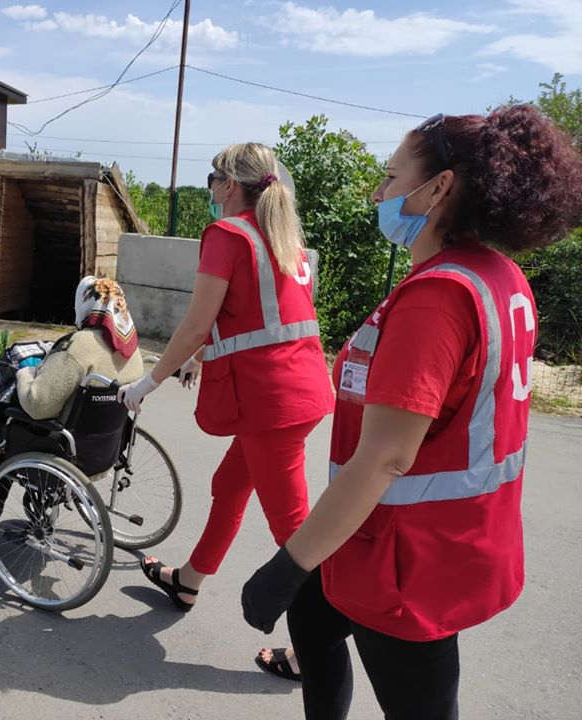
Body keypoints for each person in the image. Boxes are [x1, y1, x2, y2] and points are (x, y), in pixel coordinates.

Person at [240, 104, 582, 719]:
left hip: (405, 564)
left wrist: (286, 562)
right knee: (313, 619)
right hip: (428, 539)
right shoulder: (499, 276)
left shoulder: (437, 298)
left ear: (438, 188)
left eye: (392, 177)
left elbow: (386, 457)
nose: (379, 191)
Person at [117, 143, 334, 680]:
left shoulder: (228, 235)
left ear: (230, 185)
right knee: (230, 485)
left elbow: (196, 320)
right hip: (298, 391)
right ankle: (189, 580)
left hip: (269, 404)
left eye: (212, 179)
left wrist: (147, 381)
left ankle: (317, 649)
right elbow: (259, 321)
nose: (210, 190)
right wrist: (200, 355)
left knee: (297, 535)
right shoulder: (284, 240)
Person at [16, 276, 143, 420]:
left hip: (64, 435)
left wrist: (24, 374)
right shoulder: (132, 347)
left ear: (84, 304)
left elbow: (38, 406)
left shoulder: (80, 344)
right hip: (111, 436)